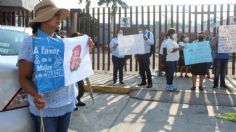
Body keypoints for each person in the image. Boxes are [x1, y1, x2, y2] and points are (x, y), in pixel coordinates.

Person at [18, 1, 76, 132]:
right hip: (45, 109)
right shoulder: (30, 43)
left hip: (67, 104)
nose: (59, 18)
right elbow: (23, 78)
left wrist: (85, 46)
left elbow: (74, 65)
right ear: (42, 18)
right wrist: (35, 95)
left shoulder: (63, 42)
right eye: (55, 15)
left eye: (59, 15)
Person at [71, 32, 94, 106]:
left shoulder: (80, 46)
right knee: (73, 88)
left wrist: (90, 44)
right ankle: (73, 103)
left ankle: (78, 100)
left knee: (81, 87)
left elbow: (88, 50)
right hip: (71, 71)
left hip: (79, 70)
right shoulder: (69, 46)